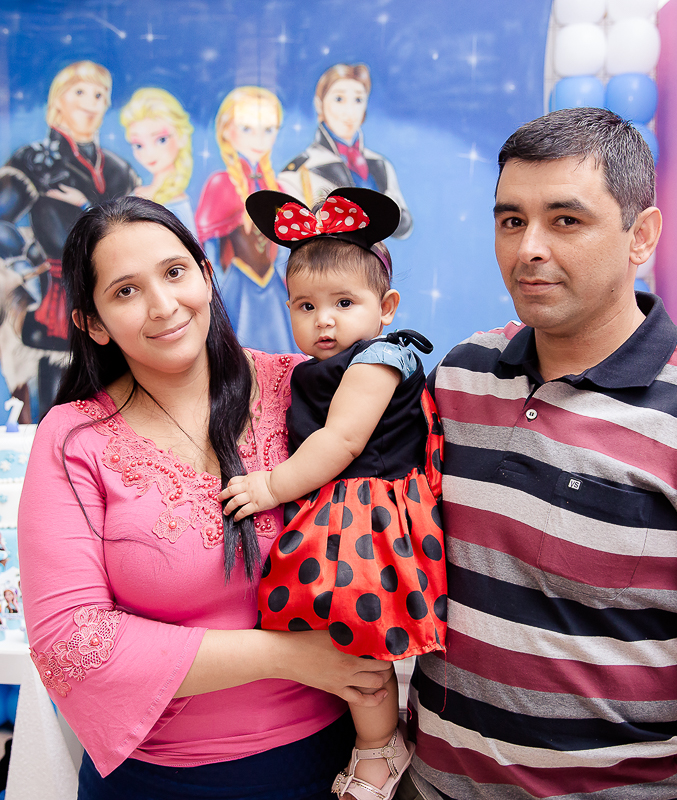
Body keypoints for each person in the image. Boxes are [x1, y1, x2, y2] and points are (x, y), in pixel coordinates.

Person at [401, 108, 677, 800]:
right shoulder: (462, 374)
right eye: (511, 220)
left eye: (566, 220)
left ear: (641, 236)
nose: (528, 249)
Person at [18, 195, 393, 799]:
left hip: (333, 767)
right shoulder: (73, 437)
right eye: (125, 291)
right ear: (92, 323)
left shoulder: (309, 388)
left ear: (206, 274)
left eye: (174, 272)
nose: (164, 306)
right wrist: (290, 656)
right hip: (156, 781)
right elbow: (71, 644)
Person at [220, 187, 446, 800]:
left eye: (344, 302)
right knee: (336, 639)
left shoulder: (379, 358)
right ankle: (367, 734)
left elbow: (341, 441)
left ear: (386, 306)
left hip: (367, 520)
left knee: (357, 639)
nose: (323, 320)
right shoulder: (320, 363)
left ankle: (380, 748)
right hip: (341, 511)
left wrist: (270, 486)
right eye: (305, 305)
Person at [0, 61, 140, 411]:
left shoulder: (117, 168)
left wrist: (86, 207)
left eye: (99, 95)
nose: (90, 102)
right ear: (58, 101)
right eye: (80, 92)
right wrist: (31, 255)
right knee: (58, 408)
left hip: (124, 294)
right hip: (63, 299)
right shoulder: (36, 161)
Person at [195, 86, 299, 354]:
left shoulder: (278, 187)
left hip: (273, 286)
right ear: (227, 131)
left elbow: (289, 249)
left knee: (283, 352)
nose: (259, 138)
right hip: (236, 285)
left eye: (268, 129)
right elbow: (209, 251)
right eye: (247, 129)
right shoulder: (220, 184)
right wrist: (213, 291)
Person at [279, 64, 412, 239]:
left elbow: (403, 226)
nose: (349, 111)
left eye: (358, 100)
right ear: (319, 104)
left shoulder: (380, 164)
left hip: (373, 263)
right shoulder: (298, 172)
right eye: (339, 99)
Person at [120, 87, 197, 233]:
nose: (149, 153)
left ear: (182, 137)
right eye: (138, 145)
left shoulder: (179, 204)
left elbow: (194, 252)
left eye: (161, 140)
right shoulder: (134, 195)